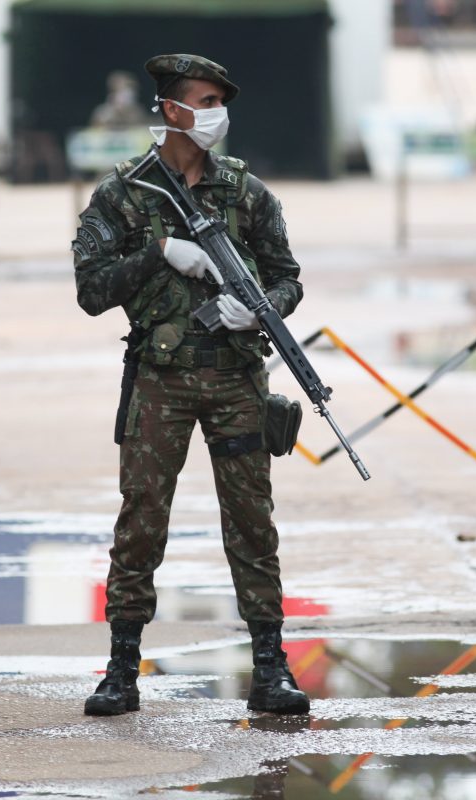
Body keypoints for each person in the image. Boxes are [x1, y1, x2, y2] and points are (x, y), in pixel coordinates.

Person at [72, 54, 309, 717]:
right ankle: (122, 669)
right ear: (170, 109)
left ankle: (270, 666)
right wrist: (157, 253)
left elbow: (289, 275)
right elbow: (90, 291)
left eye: (221, 102)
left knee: (252, 525)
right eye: (204, 101)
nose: (216, 114)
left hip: (236, 378)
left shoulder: (246, 192)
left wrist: (260, 302)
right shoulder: (124, 195)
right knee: (142, 522)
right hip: (162, 380)